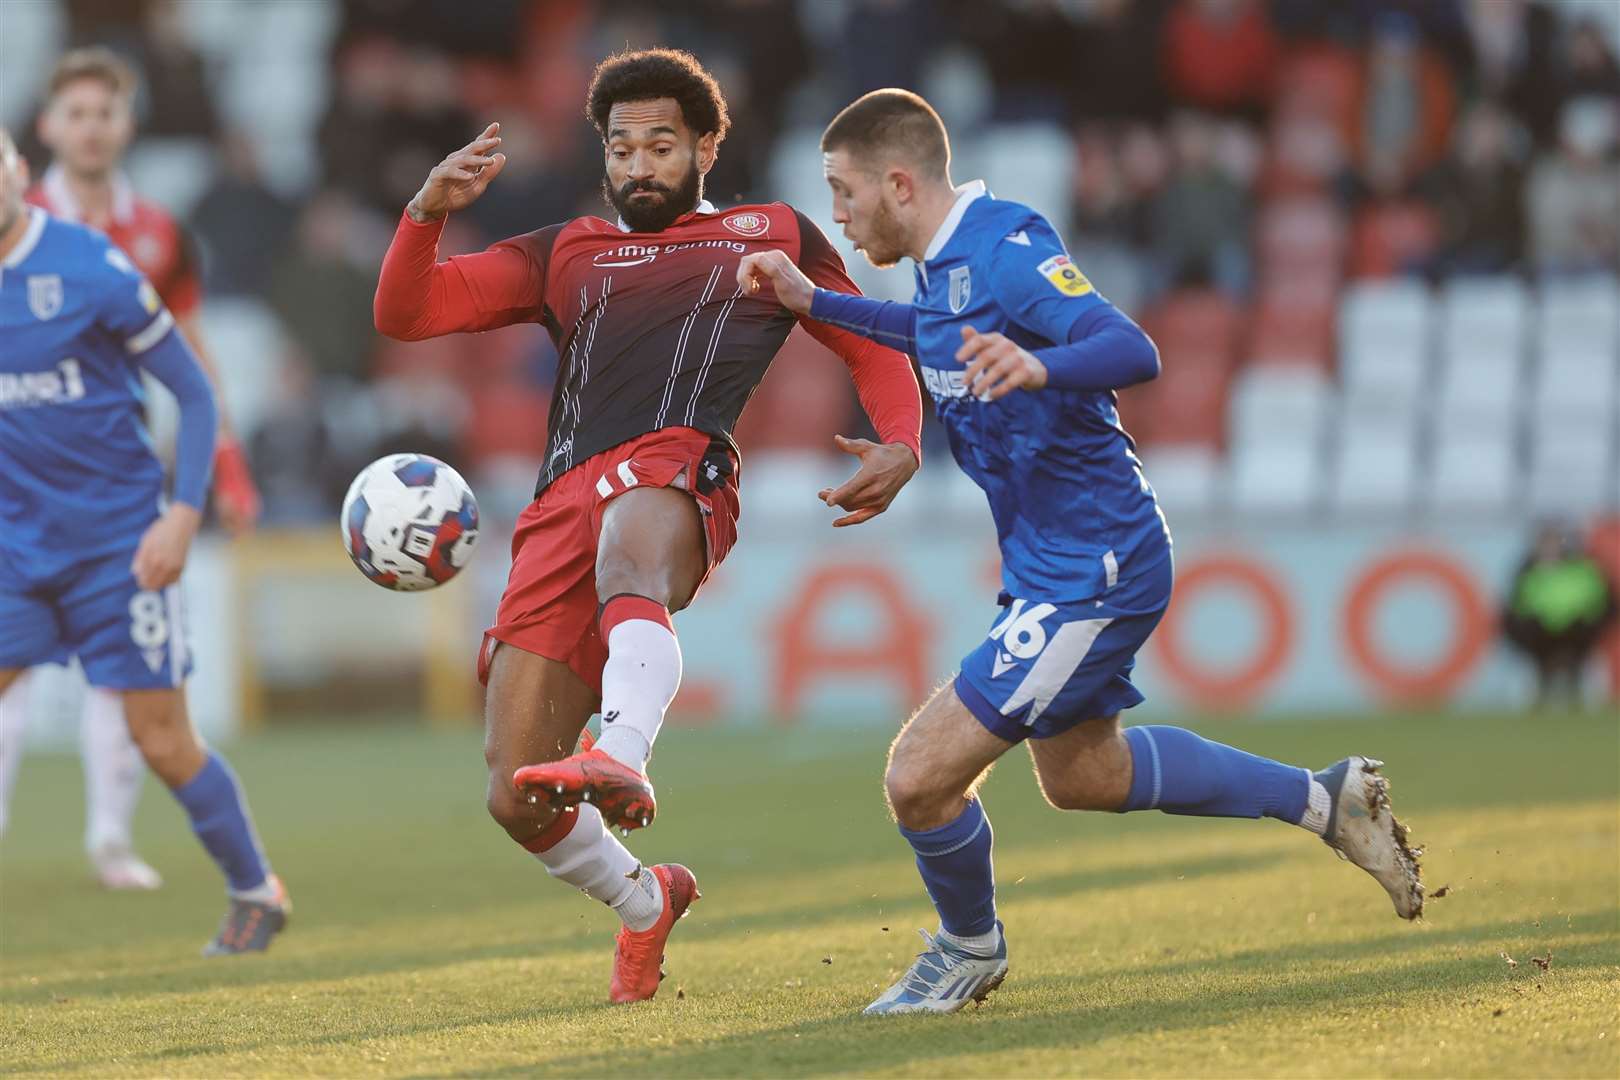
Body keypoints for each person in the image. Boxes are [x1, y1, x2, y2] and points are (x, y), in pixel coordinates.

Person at [736, 89, 1424, 1016]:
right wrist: (814, 301)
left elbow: (1129, 347)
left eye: (845, 192)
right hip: (1051, 564)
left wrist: (1041, 363)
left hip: (1094, 566)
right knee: (1086, 778)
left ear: (900, 183)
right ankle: (1326, 800)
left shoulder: (1008, 247)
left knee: (918, 776)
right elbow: (928, 334)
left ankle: (967, 949)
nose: (840, 213)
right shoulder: (942, 271)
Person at [372, 49, 922, 1004]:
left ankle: (623, 752)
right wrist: (427, 212)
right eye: (621, 147)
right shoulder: (565, 249)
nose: (638, 165)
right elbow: (407, 313)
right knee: (515, 792)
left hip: (678, 465)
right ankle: (643, 901)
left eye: (660, 144)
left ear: (707, 144)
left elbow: (864, 338)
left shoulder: (770, 231)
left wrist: (902, 442)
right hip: (557, 507)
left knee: (632, 537)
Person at [0, 127, 288, 954]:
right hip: (16, 553)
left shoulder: (90, 267)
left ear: (18, 170)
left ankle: (255, 890)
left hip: (119, 551)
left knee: (162, 740)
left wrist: (183, 514)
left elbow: (193, 395)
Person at [1501, 522, 1618, 709]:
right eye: (1546, 542)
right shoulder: (1529, 570)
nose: (1550, 548)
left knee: (1574, 657)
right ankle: (1543, 695)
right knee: (1543, 657)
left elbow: (1604, 602)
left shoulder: (1584, 568)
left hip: (1578, 630)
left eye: (1554, 542)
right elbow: (1515, 609)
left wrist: (1591, 623)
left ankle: (1573, 696)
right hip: (1541, 632)